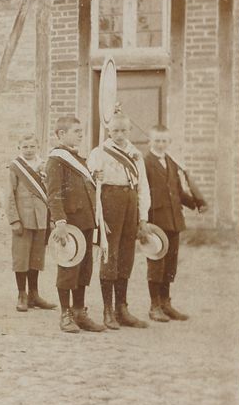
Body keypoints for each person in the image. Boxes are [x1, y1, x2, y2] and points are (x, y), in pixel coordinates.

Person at [87, 113, 151, 330]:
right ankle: (107, 309)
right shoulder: (99, 152)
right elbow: (90, 181)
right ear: (108, 131)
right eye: (115, 131)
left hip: (130, 202)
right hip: (109, 202)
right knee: (109, 253)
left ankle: (121, 308)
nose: (120, 135)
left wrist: (143, 217)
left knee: (126, 255)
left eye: (124, 130)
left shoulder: (135, 154)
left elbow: (143, 186)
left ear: (129, 131)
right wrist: (96, 175)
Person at [143, 124, 208, 322]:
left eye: (164, 141)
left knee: (170, 263)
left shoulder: (172, 162)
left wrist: (196, 204)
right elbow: (142, 193)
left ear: (169, 142)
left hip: (173, 220)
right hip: (155, 221)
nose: (161, 144)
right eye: (157, 141)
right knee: (156, 262)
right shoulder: (145, 162)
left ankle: (166, 303)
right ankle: (154, 306)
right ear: (150, 142)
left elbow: (178, 192)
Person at [47, 116, 105, 333]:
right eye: (76, 131)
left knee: (84, 267)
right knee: (68, 267)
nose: (81, 134)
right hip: (69, 223)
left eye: (82, 130)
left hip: (86, 221)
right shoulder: (56, 160)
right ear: (61, 134)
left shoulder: (79, 160)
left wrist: (95, 177)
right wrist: (59, 221)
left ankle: (80, 311)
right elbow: (54, 194)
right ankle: (66, 314)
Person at [7, 135, 57, 312]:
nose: (29, 150)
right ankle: (22, 294)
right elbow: (10, 195)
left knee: (36, 258)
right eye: (25, 146)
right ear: (19, 147)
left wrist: (51, 218)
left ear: (38, 147)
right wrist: (14, 219)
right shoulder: (16, 167)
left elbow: (50, 192)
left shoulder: (44, 166)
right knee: (21, 258)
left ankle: (34, 294)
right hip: (23, 219)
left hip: (41, 218)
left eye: (32, 146)